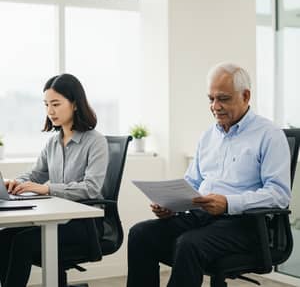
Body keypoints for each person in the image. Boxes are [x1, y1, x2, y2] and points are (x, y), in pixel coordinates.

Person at [126, 63, 291, 287]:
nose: (215, 106)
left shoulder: (269, 135)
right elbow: (193, 181)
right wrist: (171, 204)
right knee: (141, 234)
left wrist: (229, 203)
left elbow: (279, 194)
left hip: (245, 224)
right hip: (202, 216)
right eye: (211, 99)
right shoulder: (208, 136)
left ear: (245, 96)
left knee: (189, 244)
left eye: (223, 98)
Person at [0, 73, 109, 287]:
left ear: (75, 104)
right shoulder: (53, 143)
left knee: (23, 241)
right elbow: (34, 175)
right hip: (58, 220)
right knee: (3, 237)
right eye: (46, 104)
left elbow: (91, 189)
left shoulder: (96, 142)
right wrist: (15, 182)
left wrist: (46, 188)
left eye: (56, 104)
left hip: (84, 224)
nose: (50, 111)